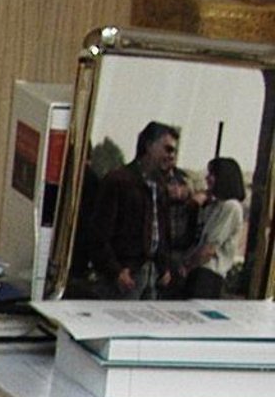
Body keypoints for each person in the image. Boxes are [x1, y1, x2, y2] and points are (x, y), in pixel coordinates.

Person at [77, 120, 180, 297]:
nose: (171, 156)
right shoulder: (119, 181)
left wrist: (164, 267)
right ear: (149, 146)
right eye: (168, 149)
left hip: (151, 275)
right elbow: (99, 232)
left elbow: (162, 232)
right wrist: (115, 270)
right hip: (125, 275)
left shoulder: (160, 187)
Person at [188, 155, 248, 296]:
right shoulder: (214, 206)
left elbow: (210, 247)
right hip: (198, 270)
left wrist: (188, 266)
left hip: (208, 273)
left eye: (212, 174)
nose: (207, 178)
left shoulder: (231, 207)